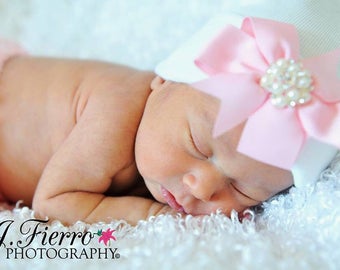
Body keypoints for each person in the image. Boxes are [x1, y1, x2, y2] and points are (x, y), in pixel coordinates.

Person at [0, 10, 339, 226]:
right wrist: (157, 217)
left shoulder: (163, 149)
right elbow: (53, 205)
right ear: (162, 82)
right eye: (198, 146)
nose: (204, 188)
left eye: (243, 189)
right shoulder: (117, 108)